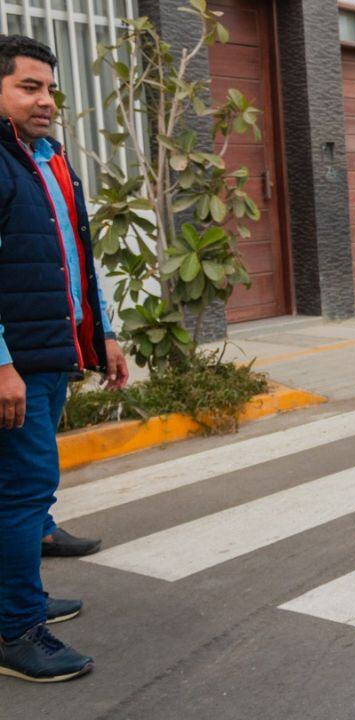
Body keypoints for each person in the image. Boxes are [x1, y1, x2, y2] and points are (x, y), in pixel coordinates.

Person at [0, 34, 128, 683]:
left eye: (50, 87)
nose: (46, 99)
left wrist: (101, 332)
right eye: (29, 86)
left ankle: (19, 598)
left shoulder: (47, 158)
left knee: (24, 493)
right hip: (16, 362)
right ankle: (16, 629)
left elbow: (74, 255)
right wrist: (0, 364)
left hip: (52, 352)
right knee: (23, 495)